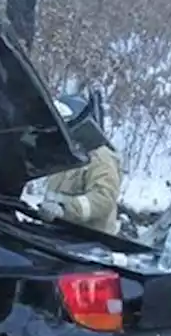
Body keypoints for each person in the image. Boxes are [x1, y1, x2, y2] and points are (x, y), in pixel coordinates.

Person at [38, 92, 122, 235]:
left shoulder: (100, 157)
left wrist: (65, 209)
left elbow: (103, 199)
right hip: (57, 236)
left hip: (88, 243)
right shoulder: (67, 154)